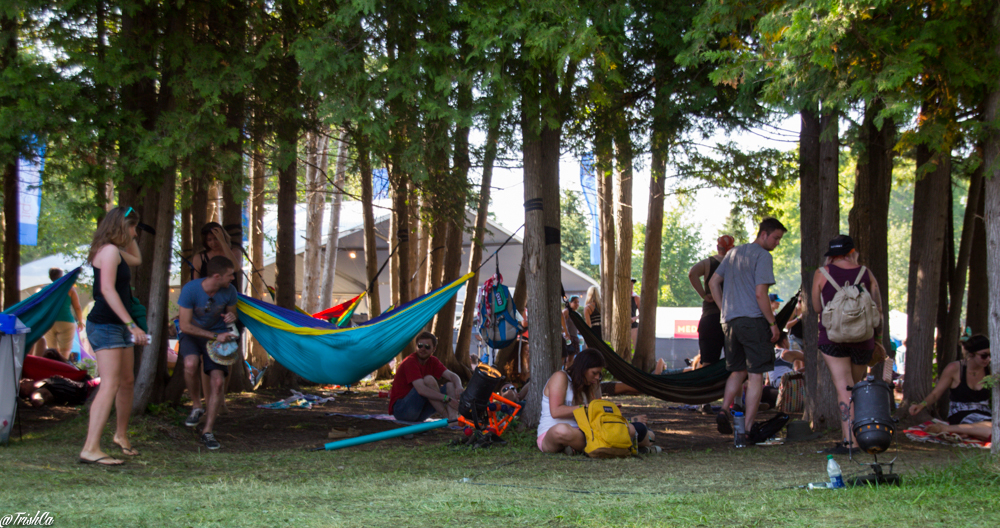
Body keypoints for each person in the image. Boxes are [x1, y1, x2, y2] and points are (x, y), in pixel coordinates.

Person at [79, 206, 148, 466]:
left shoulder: (115, 251)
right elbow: (107, 290)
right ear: (121, 227)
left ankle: (120, 435)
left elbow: (137, 260)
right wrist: (131, 324)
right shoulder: (108, 252)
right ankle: (90, 448)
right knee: (109, 384)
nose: (135, 235)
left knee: (127, 380)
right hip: (107, 324)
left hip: (117, 325)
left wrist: (130, 235)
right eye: (132, 228)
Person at [708, 218, 786, 439]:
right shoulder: (763, 256)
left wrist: (725, 310)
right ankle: (749, 428)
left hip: (730, 323)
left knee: (737, 370)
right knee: (755, 375)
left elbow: (713, 282)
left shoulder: (733, 253)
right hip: (753, 321)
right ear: (763, 234)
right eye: (776, 238)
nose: (777, 243)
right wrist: (772, 323)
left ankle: (723, 409)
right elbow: (761, 294)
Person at [811, 234, 884, 453]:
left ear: (831, 256)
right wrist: (878, 339)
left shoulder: (822, 273)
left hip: (833, 337)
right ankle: (864, 436)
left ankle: (850, 442)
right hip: (863, 338)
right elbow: (877, 307)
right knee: (857, 385)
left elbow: (816, 307)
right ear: (853, 252)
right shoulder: (866, 273)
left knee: (844, 387)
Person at [537, 349, 655, 454]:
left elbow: (597, 418)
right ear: (582, 369)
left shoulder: (593, 384)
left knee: (633, 429)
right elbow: (556, 411)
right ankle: (612, 447)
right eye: (594, 373)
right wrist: (588, 408)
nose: (597, 377)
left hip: (587, 433)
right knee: (561, 431)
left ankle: (577, 447)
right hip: (553, 433)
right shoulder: (561, 377)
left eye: (599, 373)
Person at [178, 256, 239, 450]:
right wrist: (214, 335)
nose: (232, 278)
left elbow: (232, 316)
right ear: (216, 276)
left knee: (218, 381)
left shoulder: (230, 291)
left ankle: (208, 431)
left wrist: (232, 316)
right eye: (230, 275)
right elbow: (185, 326)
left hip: (218, 336)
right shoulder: (191, 290)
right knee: (190, 364)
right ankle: (197, 406)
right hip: (194, 334)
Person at [908, 335, 992, 442]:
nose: (988, 359)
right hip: (961, 413)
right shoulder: (955, 368)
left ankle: (962, 432)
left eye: (990, 355)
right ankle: (949, 428)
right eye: (984, 355)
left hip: (985, 414)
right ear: (971, 354)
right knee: (993, 430)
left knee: (992, 430)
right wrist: (921, 405)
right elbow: (936, 393)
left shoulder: (991, 370)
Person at [387, 331, 464, 422]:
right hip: (402, 410)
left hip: (420, 412)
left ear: (433, 349)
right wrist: (446, 398)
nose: (423, 349)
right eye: (420, 345)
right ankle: (448, 418)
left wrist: (459, 386)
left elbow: (452, 376)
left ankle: (452, 419)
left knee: (451, 385)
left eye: (427, 347)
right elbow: (421, 390)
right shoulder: (410, 362)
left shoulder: (433, 361)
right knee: (429, 380)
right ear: (416, 346)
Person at [688, 235, 736, 365]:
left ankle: (706, 385)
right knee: (735, 364)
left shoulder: (708, 263)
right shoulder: (736, 264)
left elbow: (692, 273)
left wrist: (704, 295)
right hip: (732, 318)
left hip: (711, 317)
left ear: (717, 247)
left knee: (707, 363)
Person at [32, 268, 85, 360]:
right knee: (65, 352)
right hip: (66, 322)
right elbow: (77, 307)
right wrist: (80, 321)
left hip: (49, 323)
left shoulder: (45, 290)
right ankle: (61, 372)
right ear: (62, 276)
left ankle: (53, 372)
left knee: (52, 352)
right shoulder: (69, 289)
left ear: (50, 277)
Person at [561, 295, 582, 367]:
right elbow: (561, 321)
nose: (577, 304)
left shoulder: (578, 314)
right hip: (568, 338)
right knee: (566, 358)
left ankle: (569, 373)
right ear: (570, 303)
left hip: (575, 338)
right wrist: (565, 332)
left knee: (572, 359)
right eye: (575, 302)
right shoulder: (566, 312)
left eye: (578, 302)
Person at [630, 278, 640, 350]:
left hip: (632, 326)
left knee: (632, 348)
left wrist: (634, 318)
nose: (631, 286)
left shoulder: (636, 297)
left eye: (632, 284)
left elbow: (642, 313)